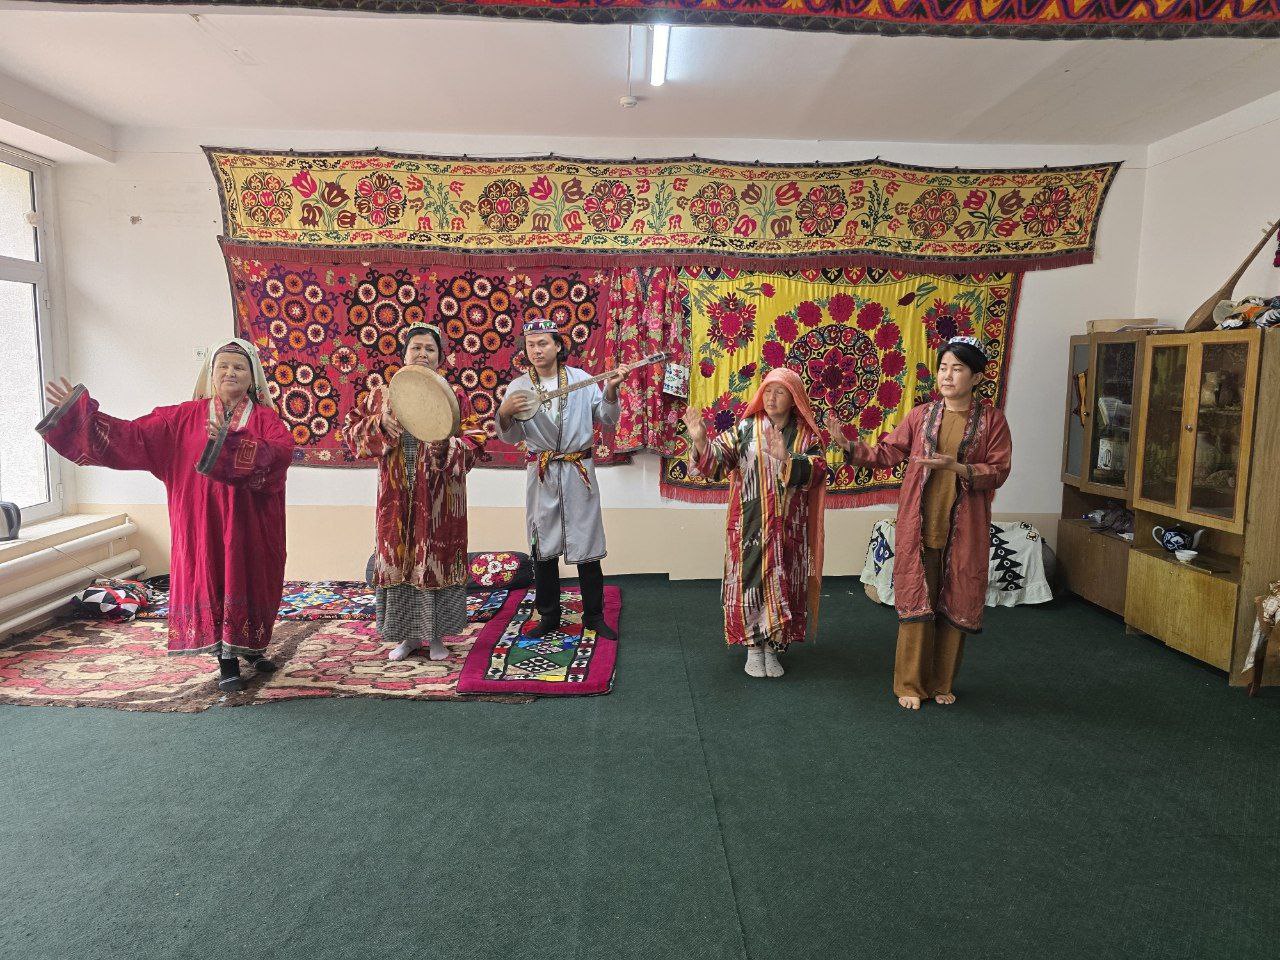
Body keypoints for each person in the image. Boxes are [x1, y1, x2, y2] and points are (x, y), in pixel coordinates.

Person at [37, 340, 292, 693]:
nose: (230, 372)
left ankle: (251, 649)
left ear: (252, 378)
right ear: (211, 374)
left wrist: (230, 444)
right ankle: (226, 661)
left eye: (239, 367)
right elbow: (131, 437)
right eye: (223, 366)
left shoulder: (266, 420)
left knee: (251, 578)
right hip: (200, 524)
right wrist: (79, 415)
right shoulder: (181, 419)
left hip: (251, 524)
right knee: (211, 578)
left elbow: (279, 456)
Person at [827, 336, 1012, 710]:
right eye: (943, 368)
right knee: (917, 602)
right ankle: (910, 685)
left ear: (977, 377)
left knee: (955, 602)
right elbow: (888, 453)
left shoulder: (993, 421)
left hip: (964, 529)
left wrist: (957, 467)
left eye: (957, 368)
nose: (947, 376)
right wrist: (849, 446)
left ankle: (941, 682)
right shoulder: (920, 416)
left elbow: (999, 470)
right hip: (920, 525)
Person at [343, 324, 486, 661]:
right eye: (416, 348)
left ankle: (436, 637)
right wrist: (378, 424)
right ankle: (407, 638)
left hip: (440, 502)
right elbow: (350, 434)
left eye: (430, 349)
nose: (422, 354)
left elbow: (477, 440)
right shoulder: (381, 395)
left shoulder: (455, 397)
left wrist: (446, 445)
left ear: (440, 357)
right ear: (404, 354)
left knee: (435, 561)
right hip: (394, 501)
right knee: (399, 561)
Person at [682, 368, 827, 678]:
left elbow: (819, 471)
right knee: (750, 582)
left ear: (794, 398)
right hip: (749, 526)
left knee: (783, 580)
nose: (771, 398)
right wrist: (700, 442)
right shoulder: (746, 428)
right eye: (768, 391)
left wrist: (788, 458)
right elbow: (717, 462)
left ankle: (773, 648)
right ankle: (752, 647)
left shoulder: (806, 435)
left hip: (788, 527)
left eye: (780, 392)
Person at [496, 317, 629, 641]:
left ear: (557, 346)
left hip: (578, 470)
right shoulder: (518, 388)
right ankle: (549, 616)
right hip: (542, 473)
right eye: (531, 345)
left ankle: (594, 616)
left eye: (543, 343)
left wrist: (611, 390)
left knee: (587, 543)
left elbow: (607, 418)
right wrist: (505, 413)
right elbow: (511, 437)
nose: (537, 350)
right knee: (543, 545)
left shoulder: (582, 380)